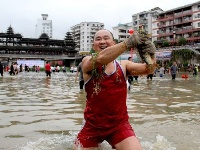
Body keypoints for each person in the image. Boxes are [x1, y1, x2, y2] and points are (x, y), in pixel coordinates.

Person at [74, 29, 156, 149]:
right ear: (93, 45)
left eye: (106, 38)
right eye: (98, 39)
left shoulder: (124, 65)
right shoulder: (87, 62)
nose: (102, 41)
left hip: (119, 126)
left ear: (113, 43)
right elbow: (100, 59)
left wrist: (151, 55)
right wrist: (127, 43)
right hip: (92, 127)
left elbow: (149, 69)